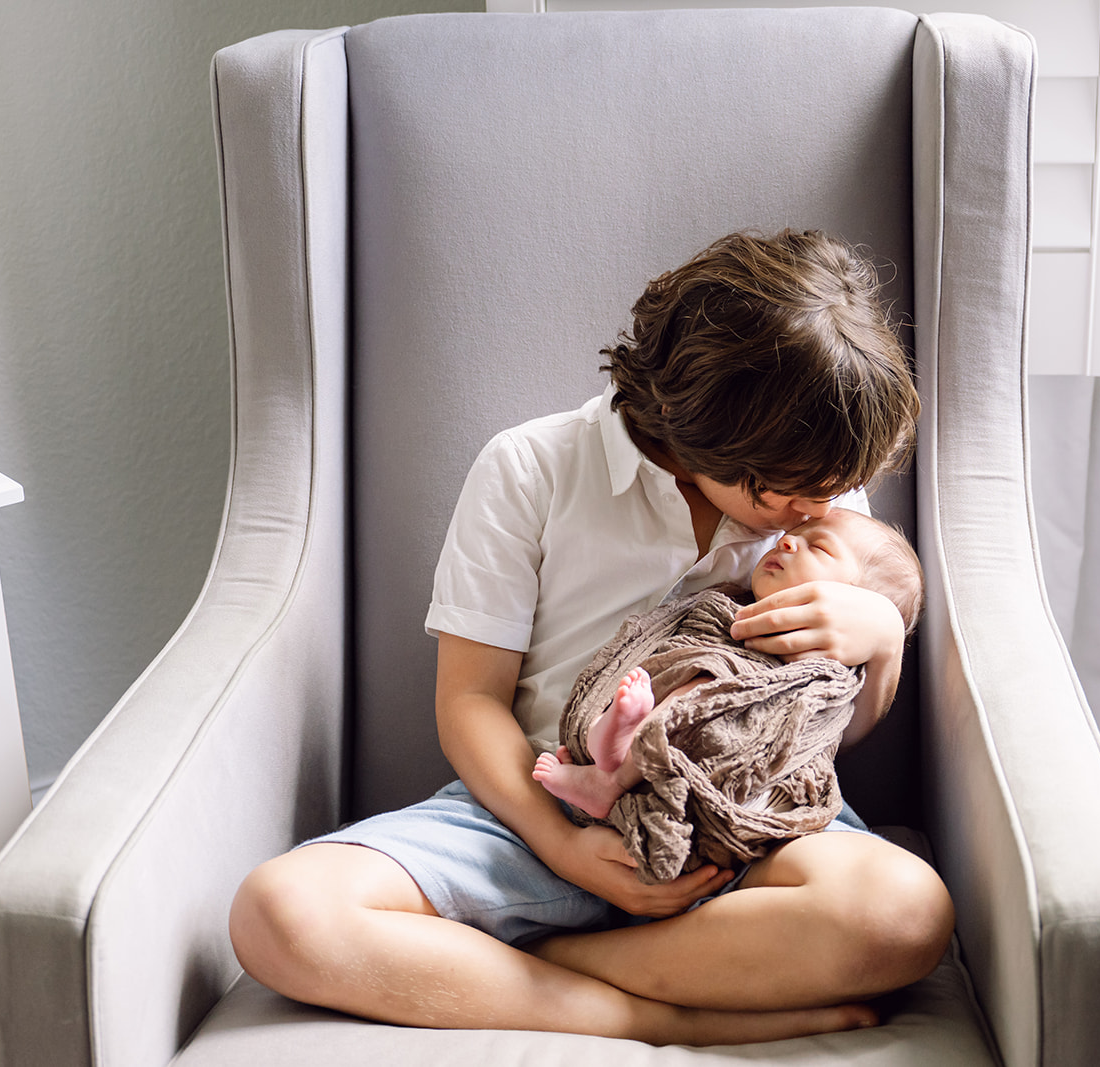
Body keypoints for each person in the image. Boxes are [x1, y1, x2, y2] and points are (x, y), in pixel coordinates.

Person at [228, 229, 955, 1046]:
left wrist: (883, 639)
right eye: (790, 493)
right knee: (278, 912)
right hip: (542, 806)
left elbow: (828, 727)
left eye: (829, 493)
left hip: (742, 818)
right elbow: (469, 700)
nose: (815, 510)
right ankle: (649, 1010)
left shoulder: (819, 492)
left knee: (907, 911)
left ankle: (550, 958)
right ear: (705, 433)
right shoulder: (530, 468)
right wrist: (560, 847)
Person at [533, 508, 922, 834]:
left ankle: (614, 775)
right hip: (668, 712)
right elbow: (678, 636)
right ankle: (613, 735)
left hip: (737, 771)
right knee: (693, 679)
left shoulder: (839, 662)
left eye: (817, 546)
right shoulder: (729, 604)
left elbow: (829, 726)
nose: (786, 541)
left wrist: (882, 637)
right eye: (791, 534)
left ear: (859, 604)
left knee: (706, 694)